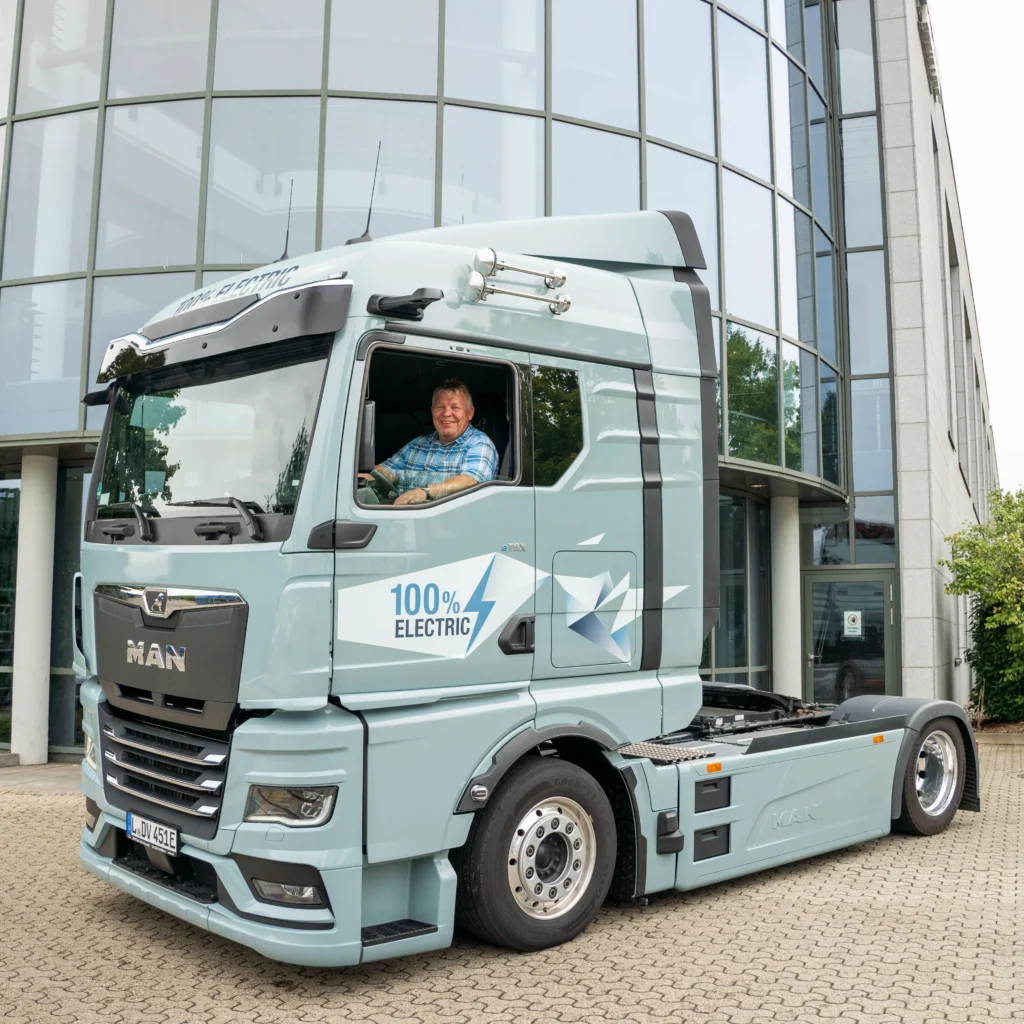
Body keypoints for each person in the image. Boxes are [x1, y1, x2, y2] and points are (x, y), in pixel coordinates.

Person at [363, 378, 499, 505]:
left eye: (455, 408)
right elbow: (385, 472)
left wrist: (427, 493)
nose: (446, 413)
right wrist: (360, 477)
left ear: (470, 413)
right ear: (432, 411)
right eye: (440, 407)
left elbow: (472, 480)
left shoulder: (479, 444)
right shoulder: (417, 445)